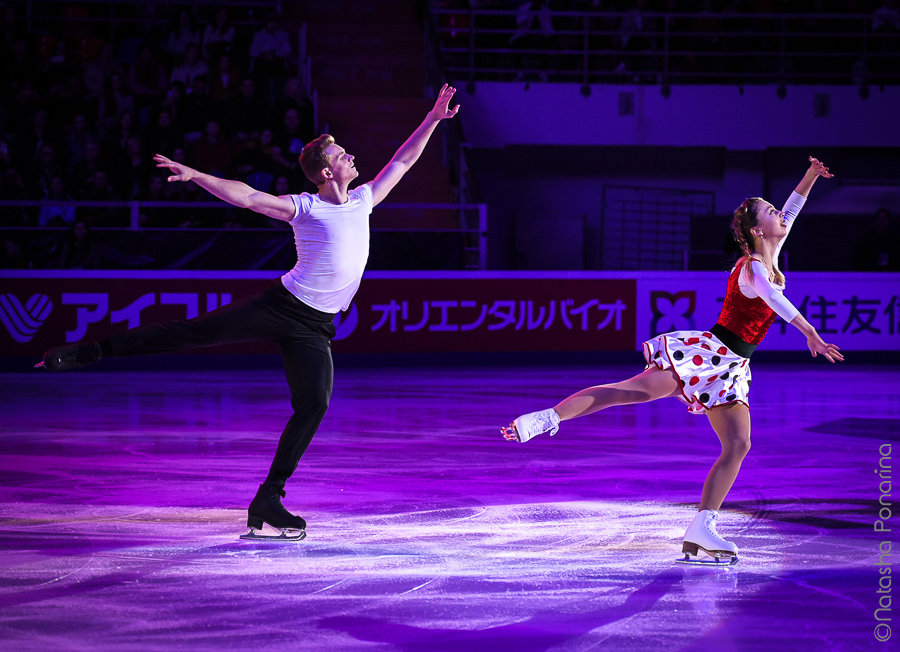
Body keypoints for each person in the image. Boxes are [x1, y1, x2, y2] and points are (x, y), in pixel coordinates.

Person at [38, 84, 461, 539]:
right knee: (190, 333)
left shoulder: (364, 201)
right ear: (323, 171)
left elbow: (402, 161)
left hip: (316, 328)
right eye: (341, 155)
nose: (351, 158)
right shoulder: (306, 207)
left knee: (314, 403)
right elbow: (247, 196)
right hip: (281, 307)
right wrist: (196, 173)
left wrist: (433, 117)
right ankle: (86, 353)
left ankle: (267, 500)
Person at [503, 157, 842, 564]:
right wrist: (810, 333)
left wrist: (809, 177)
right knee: (628, 393)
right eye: (770, 212)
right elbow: (775, 299)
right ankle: (547, 418)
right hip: (708, 355)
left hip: (733, 366)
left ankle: (702, 528)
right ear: (756, 231)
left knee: (738, 443)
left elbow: (790, 212)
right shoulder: (753, 268)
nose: (779, 215)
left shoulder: (770, 249)